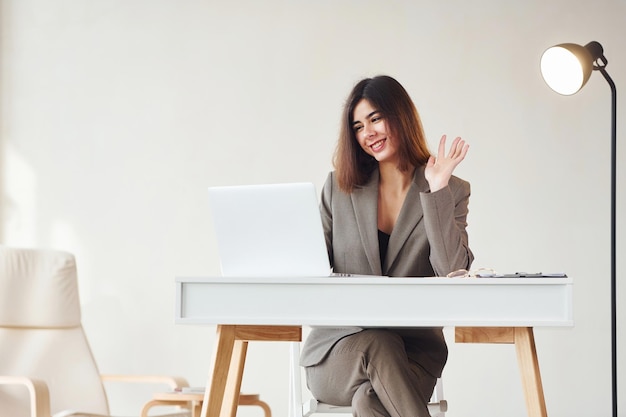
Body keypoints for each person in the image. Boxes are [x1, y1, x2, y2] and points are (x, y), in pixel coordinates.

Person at [300, 75, 474, 417]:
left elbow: (453, 269)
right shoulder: (339, 187)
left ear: (400, 116)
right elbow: (310, 267)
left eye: (376, 118)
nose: (368, 133)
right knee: (379, 344)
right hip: (339, 354)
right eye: (358, 126)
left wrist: (436, 192)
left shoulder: (451, 189)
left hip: (413, 355)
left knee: (371, 401)